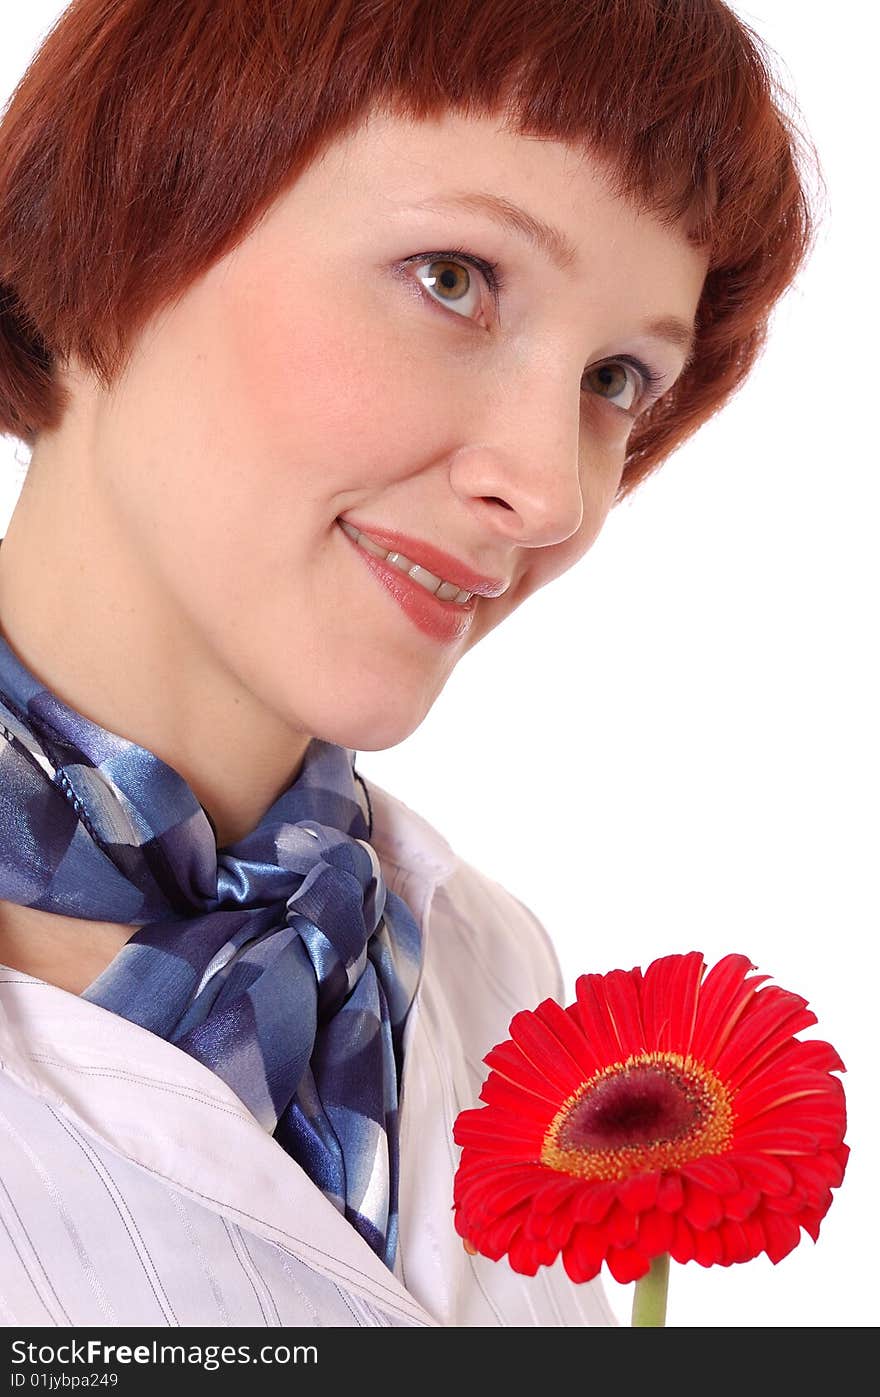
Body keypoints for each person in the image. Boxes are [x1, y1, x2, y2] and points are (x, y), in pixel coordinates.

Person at [0, 0, 819, 1327]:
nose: (553, 490)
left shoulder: (496, 977)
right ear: (127, 207)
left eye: (614, 378)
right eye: (455, 277)